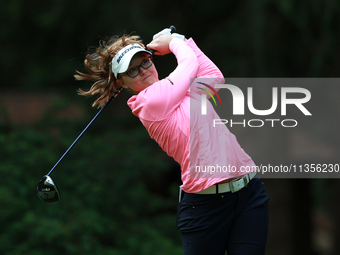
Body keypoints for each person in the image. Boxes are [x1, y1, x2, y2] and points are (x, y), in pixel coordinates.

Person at [75, 28, 269, 255]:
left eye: (145, 62)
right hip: (206, 207)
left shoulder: (181, 90)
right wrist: (174, 42)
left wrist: (183, 41)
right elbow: (188, 66)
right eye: (132, 71)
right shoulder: (149, 103)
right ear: (123, 84)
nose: (143, 71)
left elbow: (214, 77)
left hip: (248, 192)